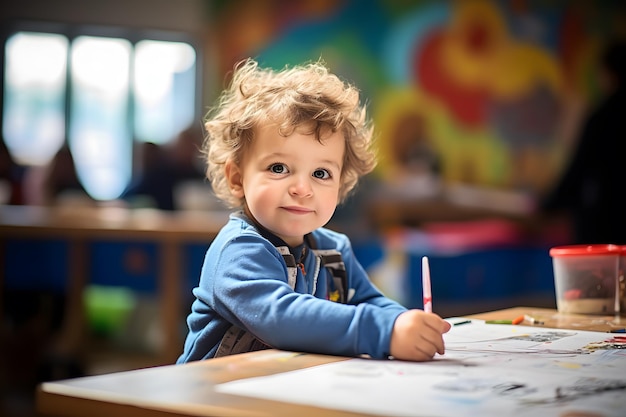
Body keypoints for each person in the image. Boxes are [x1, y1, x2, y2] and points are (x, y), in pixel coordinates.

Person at [177, 58, 451, 364]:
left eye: (321, 174)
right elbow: (280, 317)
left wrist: (405, 323)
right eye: (279, 168)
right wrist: (384, 333)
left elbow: (371, 302)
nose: (302, 189)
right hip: (213, 402)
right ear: (237, 177)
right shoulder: (237, 249)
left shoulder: (335, 251)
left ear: (341, 184)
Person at [540, 39, 626, 244]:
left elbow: (578, 170)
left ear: (607, 74)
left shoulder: (603, 117)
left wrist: (547, 207)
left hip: (606, 223)